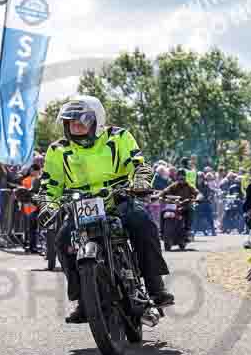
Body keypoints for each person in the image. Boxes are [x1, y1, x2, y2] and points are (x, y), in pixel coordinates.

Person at [38, 95, 173, 324]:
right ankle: (84, 300)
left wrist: (140, 182)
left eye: (81, 121)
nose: (75, 126)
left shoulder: (118, 136)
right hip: (82, 207)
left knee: (143, 224)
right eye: (71, 122)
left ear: (96, 121)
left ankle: (154, 286)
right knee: (62, 240)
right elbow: (50, 184)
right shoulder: (57, 149)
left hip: (118, 200)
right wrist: (48, 206)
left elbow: (139, 164)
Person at [159, 168, 199, 233]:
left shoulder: (189, 186)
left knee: (191, 210)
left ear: (185, 177)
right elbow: (164, 192)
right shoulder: (173, 185)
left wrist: (198, 198)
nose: (181, 177)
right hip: (173, 205)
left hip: (184, 205)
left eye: (182, 175)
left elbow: (197, 192)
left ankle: (187, 230)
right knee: (163, 212)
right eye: (179, 175)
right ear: (177, 177)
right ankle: (161, 231)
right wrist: (160, 196)